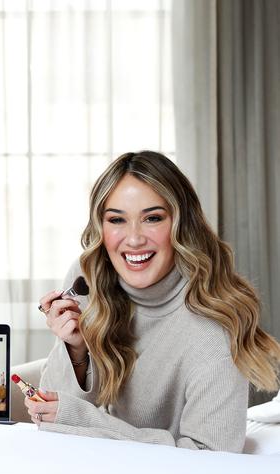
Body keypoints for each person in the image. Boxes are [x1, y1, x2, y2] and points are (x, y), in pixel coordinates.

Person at [27, 150, 280, 452]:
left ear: (181, 224)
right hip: (91, 464)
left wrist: (88, 422)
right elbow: (54, 420)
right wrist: (76, 349)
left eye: (152, 218)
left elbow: (212, 457)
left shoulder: (214, 324)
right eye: (117, 219)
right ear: (101, 228)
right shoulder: (88, 278)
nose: (134, 239)